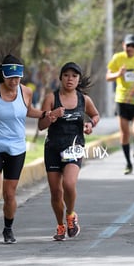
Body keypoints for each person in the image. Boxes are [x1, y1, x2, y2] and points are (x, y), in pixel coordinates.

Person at [0, 54, 62, 244]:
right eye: (10, 77)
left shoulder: (26, 92)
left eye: (17, 77)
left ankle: (8, 229)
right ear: (3, 75)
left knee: (9, 193)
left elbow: (28, 110)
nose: (14, 81)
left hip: (17, 149)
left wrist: (46, 114)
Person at [38, 62, 100, 241]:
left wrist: (90, 124)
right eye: (66, 75)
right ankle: (60, 225)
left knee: (69, 184)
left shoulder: (83, 99)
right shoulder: (51, 98)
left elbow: (95, 115)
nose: (70, 79)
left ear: (78, 79)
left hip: (74, 147)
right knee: (56, 192)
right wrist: (51, 116)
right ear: (61, 78)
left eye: (74, 76)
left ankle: (71, 215)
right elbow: (41, 126)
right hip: (53, 148)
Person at [106, 34, 134, 175]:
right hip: (122, 100)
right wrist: (118, 74)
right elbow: (108, 77)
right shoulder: (117, 58)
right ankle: (128, 163)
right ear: (123, 45)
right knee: (125, 133)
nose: (130, 48)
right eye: (128, 45)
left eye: (132, 46)